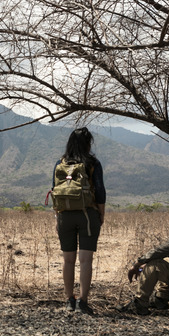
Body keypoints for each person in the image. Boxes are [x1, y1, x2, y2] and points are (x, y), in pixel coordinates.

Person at [53, 127, 106, 315]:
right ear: (88, 143)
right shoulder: (92, 163)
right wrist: (101, 213)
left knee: (68, 260)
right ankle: (82, 302)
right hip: (87, 214)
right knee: (85, 260)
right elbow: (99, 190)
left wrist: (58, 216)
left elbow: (54, 189)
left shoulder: (61, 163)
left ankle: (69, 300)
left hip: (64, 215)